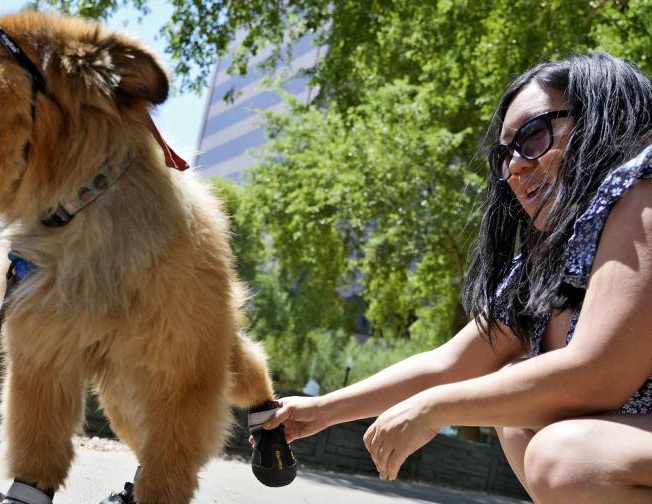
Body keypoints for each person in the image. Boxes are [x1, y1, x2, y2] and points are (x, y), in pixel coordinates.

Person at [257, 52, 652, 503]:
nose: (515, 168)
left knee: (567, 457)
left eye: (533, 136)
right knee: (517, 405)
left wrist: (434, 409)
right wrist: (321, 411)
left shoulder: (644, 190)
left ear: (600, 117)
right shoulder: (544, 265)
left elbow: (600, 374)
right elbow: (446, 365)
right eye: (503, 157)